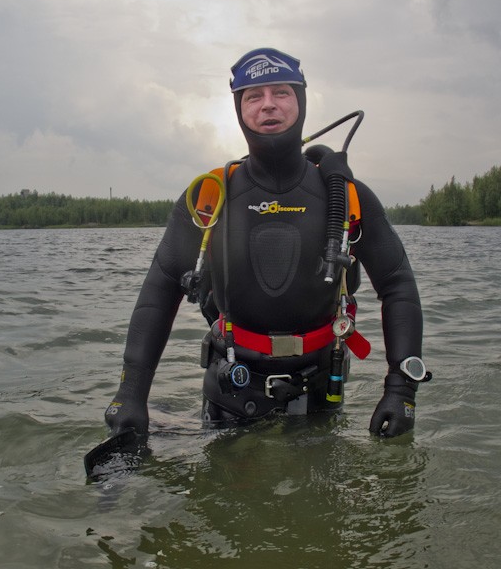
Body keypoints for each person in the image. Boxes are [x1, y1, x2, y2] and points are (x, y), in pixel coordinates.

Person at [104, 47, 427, 438]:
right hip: (231, 391)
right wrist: (131, 395)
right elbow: (159, 290)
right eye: (254, 96)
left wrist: (401, 390)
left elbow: (397, 283)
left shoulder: (346, 197)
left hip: (321, 391)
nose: (268, 105)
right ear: (239, 110)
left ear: (301, 101)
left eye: (281, 93)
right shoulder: (211, 196)